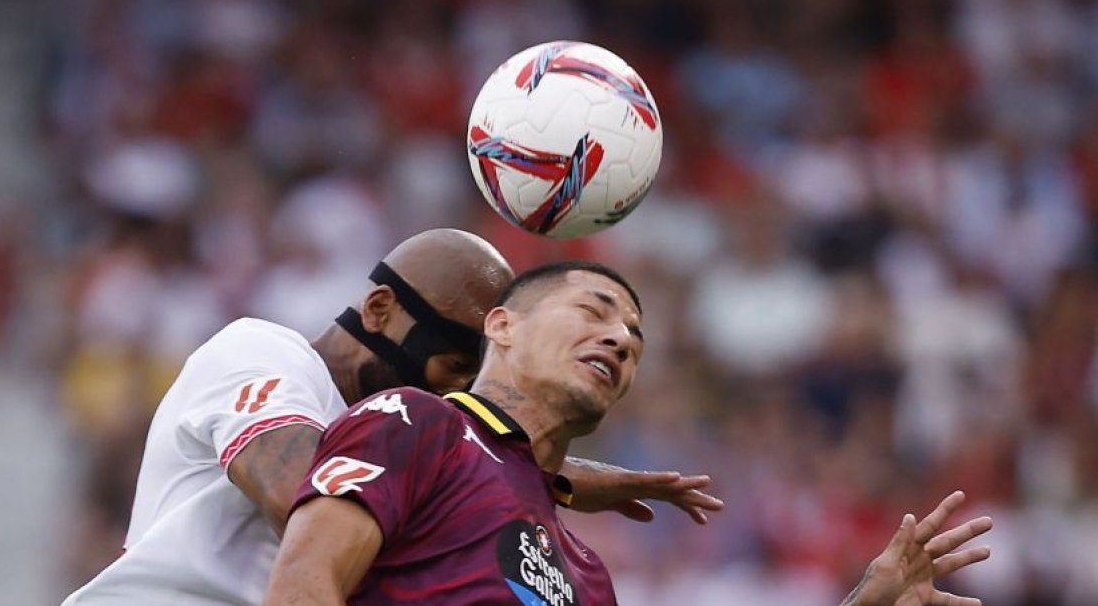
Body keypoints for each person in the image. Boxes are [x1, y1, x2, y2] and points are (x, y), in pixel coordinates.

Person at [265, 261, 993, 605]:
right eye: (594, 309)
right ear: (502, 324)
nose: (619, 338)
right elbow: (303, 582)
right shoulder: (416, 421)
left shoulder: (586, 573)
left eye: (635, 337)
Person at [62, 231, 722, 605]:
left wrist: (536, 473)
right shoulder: (263, 352)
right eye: (457, 360)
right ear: (380, 310)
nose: (469, 383)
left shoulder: (418, 441)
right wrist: (539, 475)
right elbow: (301, 491)